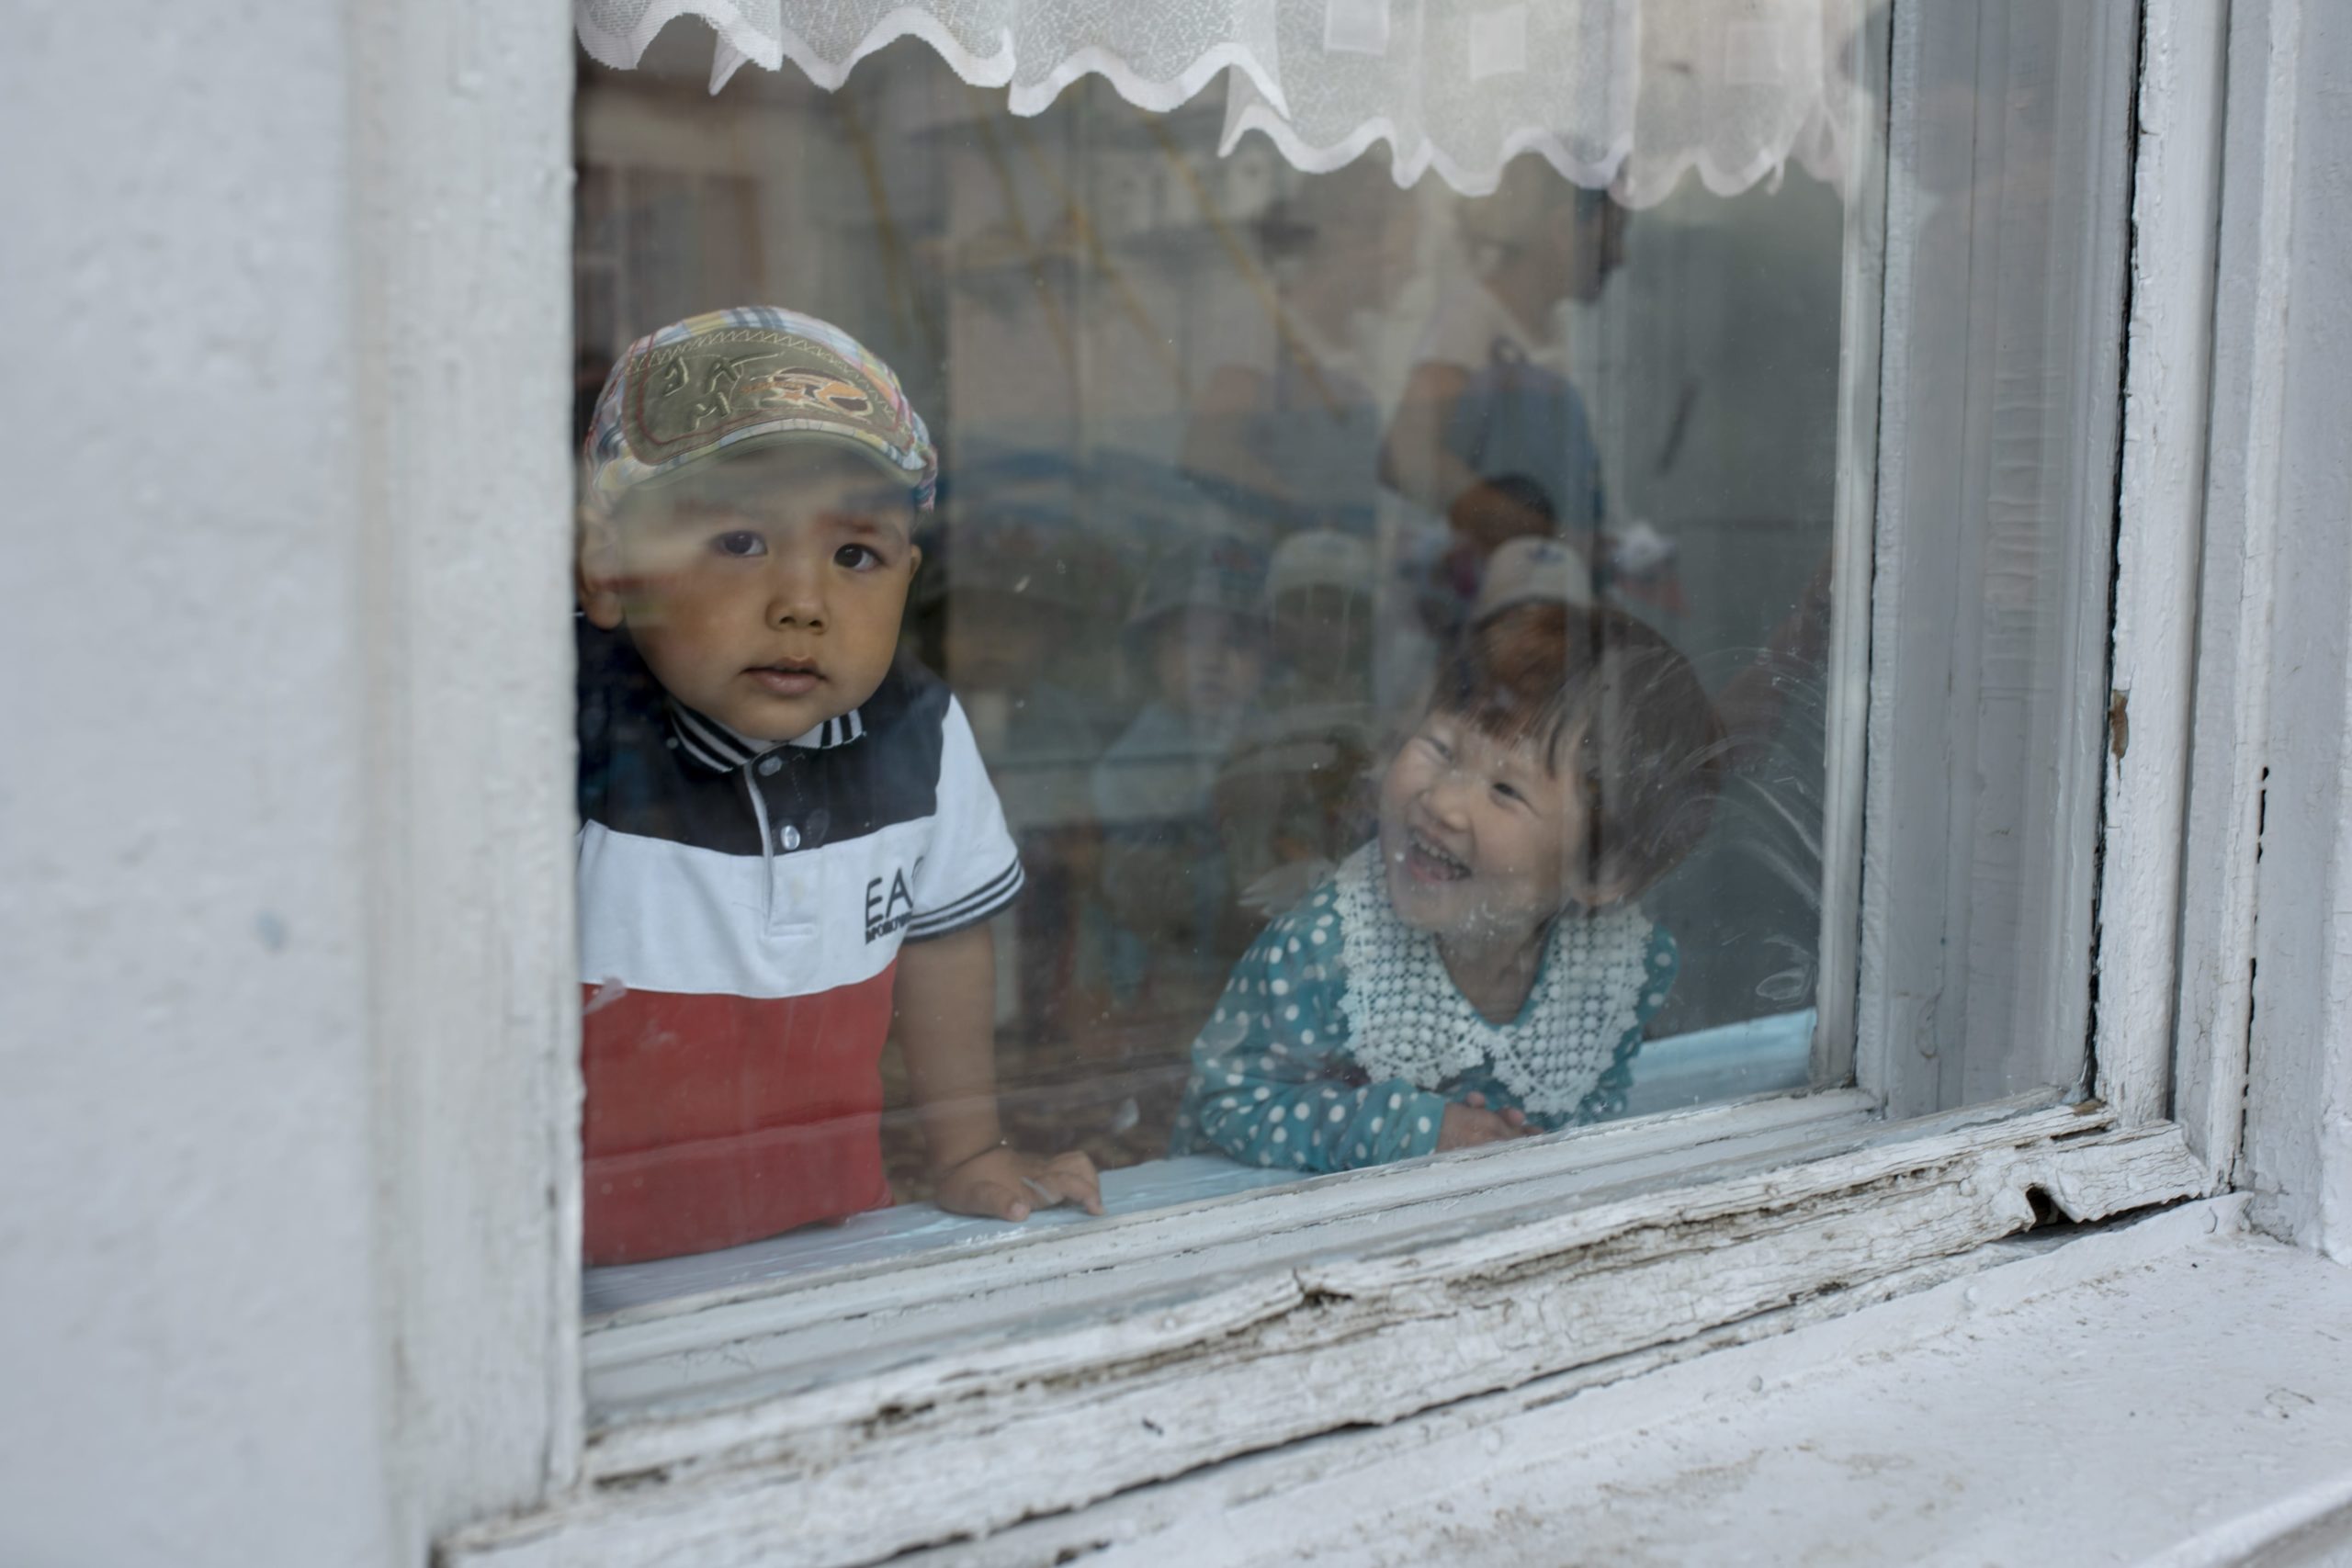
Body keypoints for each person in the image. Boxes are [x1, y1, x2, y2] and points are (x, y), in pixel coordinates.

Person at [573, 305, 1102, 1265]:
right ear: (607, 561)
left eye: (855, 555)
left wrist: (969, 1147)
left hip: (827, 1245)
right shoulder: (560, 740)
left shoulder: (918, 731)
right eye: (739, 541)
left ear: (908, 575)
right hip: (576, 1268)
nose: (803, 603)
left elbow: (944, 941)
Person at [1170, 600, 1724, 1169]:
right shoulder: (1329, 950)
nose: (1442, 802)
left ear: (1601, 869)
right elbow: (1231, 1101)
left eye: (1506, 791)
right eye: (1440, 749)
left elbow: (1592, 1111)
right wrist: (1410, 1130)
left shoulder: (1623, 971)